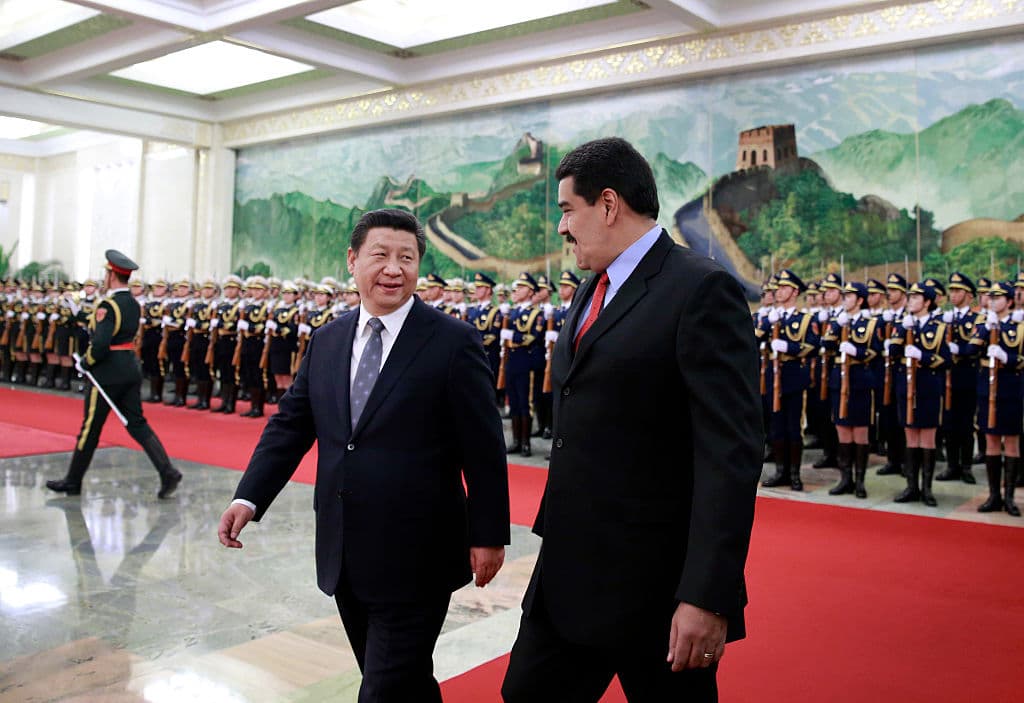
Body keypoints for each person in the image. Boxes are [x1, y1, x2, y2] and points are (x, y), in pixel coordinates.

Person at [502, 138, 761, 702]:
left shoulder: (700, 290)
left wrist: (706, 595)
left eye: (568, 210)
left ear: (610, 205)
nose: (563, 228)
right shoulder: (591, 287)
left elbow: (730, 454)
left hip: (656, 590)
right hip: (569, 576)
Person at [218, 208, 510, 702]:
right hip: (345, 548)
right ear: (353, 261)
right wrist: (249, 498)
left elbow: (483, 448)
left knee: (383, 689)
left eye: (407, 258)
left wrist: (488, 533)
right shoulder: (329, 339)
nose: (394, 269)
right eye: (380, 255)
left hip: (419, 553)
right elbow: (291, 424)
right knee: (405, 681)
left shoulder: (453, 342)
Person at [45, 250, 182, 499]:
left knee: (90, 428)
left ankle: (73, 481)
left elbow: (100, 343)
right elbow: (113, 328)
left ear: (111, 275)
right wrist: (79, 313)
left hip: (107, 373)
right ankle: (168, 471)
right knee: (137, 424)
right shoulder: (131, 303)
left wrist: (86, 362)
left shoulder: (107, 305)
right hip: (129, 367)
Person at [889, 281, 950, 507]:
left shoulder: (939, 328)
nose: (911, 301)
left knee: (927, 438)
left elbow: (946, 360)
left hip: (928, 387)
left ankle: (927, 489)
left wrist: (923, 357)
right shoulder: (903, 324)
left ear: (927, 302)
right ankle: (911, 486)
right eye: (910, 297)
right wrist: (904, 330)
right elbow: (892, 351)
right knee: (910, 436)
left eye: (916, 298)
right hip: (906, 387)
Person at [757, 268, 818, 491]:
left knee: (794, 427)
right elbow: (753, 338)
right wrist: (765, 325)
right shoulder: (770, 318)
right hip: (772, 378)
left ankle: (794, 474)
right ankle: (780, 471)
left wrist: (789, 348)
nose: (778, 292)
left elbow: (813, 346)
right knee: (776, 427)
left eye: (783, 288)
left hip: (794, 377)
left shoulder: (805, 319)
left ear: (794, 292)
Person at [820, 282, 882, 498]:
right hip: (840, 380)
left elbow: (876, 351)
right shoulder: (839, 322)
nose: (845, 299)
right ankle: (845, 478)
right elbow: (825, 343)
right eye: (844, 295)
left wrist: (856, 350)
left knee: (860, 433)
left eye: (849, 296)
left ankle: (860, 481)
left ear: (860, 300)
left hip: (860, 381)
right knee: (843, 430)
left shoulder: (871, 324)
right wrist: (837, 326)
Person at [968, 280, 1022, 516]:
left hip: (1010, 386)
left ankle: (1009, 496)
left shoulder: (1020, 326)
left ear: (1009, 301)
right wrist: (986, 330)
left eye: (998, 298)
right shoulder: (984, 323)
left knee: (1010, 440)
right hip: (986, 387)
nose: (992, 301)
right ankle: (993, 495)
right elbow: (970, 350)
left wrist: (1007, 358)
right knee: (990, 438)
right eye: (990, 298)